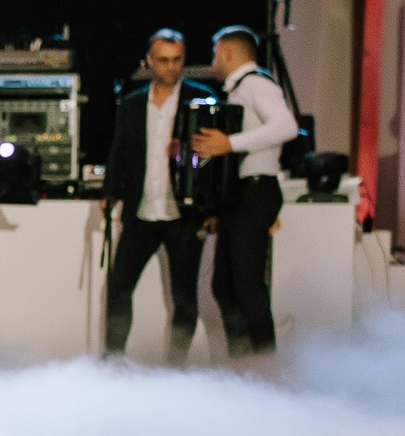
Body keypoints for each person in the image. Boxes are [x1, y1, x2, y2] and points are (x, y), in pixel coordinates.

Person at [101, 29, 217, 362]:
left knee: (184, 296)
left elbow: (215, 157)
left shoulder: (201, 98)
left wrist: (189, 156)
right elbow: (119, 150)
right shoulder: (134, 102)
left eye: (176, 59)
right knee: (119, 288)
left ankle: (175, 366)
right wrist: (110, 191)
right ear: (150, 60)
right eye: (163, 60)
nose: (170, 67)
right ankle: (113, 359)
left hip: (183, 212)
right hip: (141, 209)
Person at [189, 25, 299, 358]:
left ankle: (266, 367)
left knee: (247, 287)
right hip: (241, 195)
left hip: (256, 191)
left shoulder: (254, 84)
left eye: (215, 53)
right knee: (224, 286)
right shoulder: (240, 89)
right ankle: (243, 364)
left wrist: (230, 144)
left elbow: (287, 126)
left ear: (228, 54)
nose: (212, 61)